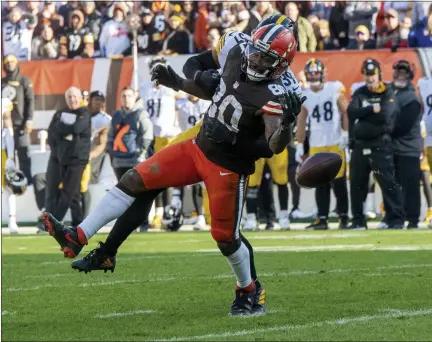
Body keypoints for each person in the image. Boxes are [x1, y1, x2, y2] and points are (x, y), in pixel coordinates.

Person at [43, 22, 302, 317]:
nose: (254, 58)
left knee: (225, 238)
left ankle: (248, 289)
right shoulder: (236, 50)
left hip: (229, 166)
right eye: (255, 50)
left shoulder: (279, 91)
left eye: (264, 57)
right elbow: (210, 86)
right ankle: (78, 235)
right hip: (197, 146)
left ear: (280, 65)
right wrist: (177, 81)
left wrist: (288, 124)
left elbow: (275, 144)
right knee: (134, 179)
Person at [348, 59, 404, 229]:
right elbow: (351, 112)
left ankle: (394, 219)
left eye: (372, 74)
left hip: (380, 144)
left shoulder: (387, 92)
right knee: (357, 183)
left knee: (387, 182)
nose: (370, 77)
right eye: (367, 74)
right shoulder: (360, 92)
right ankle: (358, 220)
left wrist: (362, 116)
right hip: (360, 144)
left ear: (379, 74)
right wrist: (371, 110)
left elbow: (386, 116)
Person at [295, 58, 349, 230]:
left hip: (335, 142)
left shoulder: (333, 89)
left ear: (322, 73)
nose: (313, 76)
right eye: (310, 74)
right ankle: (322, 218)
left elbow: (345, 111)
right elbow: (301, 121)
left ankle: (343, 217)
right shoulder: (305, 95)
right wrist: (299, 144)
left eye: (315, 73)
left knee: (339, 182)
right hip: (317, 144)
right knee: (320, 182)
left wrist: (346, 133)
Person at [139, 57, 179, 229]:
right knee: (151, 176)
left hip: (166, 136)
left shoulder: (171, 88)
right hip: (149, 138)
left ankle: (164, 213)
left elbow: (186, 94)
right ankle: (154, 213)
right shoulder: (143, 88)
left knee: (166, 176)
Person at [45, 87, 91, 228]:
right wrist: (67, 133)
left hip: (78, 159)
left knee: (68, 192)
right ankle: (79, 223)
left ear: (81, 98)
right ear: (66, 99)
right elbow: (53, 132)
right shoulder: (60, 113)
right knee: (73, 195)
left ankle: (54, 222)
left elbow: (77, 128)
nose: (73, 99)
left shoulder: (85, 112)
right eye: (69, 97)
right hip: (62, 158)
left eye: (75, 96)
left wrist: (63, 129)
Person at [169, 94, 212, 231]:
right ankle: (199, 216)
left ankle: (211, 215)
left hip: (206, 146)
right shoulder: (179, 103)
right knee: (195, 183)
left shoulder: (207, 102)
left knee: (210, 184)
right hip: (188, 146)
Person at [390, 60, 422, 229]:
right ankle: (396, 217)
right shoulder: (389, 91)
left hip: (408, 148)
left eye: (404, 72)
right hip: (392, 147)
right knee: (393, 185)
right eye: (398, 71)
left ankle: (413, 218)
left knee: (410, 186)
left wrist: (383, 130)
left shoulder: (412, 96)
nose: (400, 75)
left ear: (409, 74)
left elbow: (404, 125)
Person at [1, 54, 34, 185]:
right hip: (5, 127)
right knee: (8, 157)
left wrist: (29, 120)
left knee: (24, 155)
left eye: (12, 62)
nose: (10, 64)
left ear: (17, 64)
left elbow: (30, 101)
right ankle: (11, 183)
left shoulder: (24, 81)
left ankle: (28, 183)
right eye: (7, 63)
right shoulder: (1, 82)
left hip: (21, 125)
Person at [108, 87, 153, 182]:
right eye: (123, 96)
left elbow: (147, 135)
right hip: (118, 161)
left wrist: (140, 152)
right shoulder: (116, 115)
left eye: (129, 96)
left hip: (135, 160)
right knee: (122, 191)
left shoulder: (141, 114)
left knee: (137, 191)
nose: (126, 99)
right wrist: (112, 153)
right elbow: (111, 136)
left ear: (134, 98)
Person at [2, 98, 18, 233]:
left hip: (3, 155)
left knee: (9, 189)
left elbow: (10, 139)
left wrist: (11, 157)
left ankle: (12, 219)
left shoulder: (4, 101)